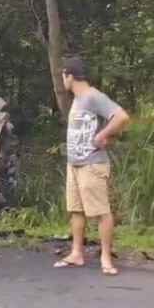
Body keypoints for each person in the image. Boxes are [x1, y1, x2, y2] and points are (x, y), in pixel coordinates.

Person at [53, 56, 130, 276]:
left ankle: (106, 257)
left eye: (63, 76)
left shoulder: (93, 96)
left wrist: (104, 135)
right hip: (74, 165)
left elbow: (121, 116)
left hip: (92, 164)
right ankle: (76, 253)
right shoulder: (77, 100)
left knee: (101, 211)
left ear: (70, 76)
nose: (62, 81)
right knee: (77, 211)